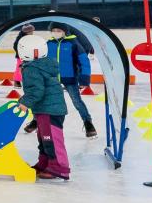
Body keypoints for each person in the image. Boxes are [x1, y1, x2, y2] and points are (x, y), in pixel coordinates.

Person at [17, 33, 69, 181]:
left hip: (49, 109)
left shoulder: (31, 68)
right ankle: (45, 163)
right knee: (44, 139)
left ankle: (59, 168)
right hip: (47, 109)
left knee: (52, 139)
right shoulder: (42, 65)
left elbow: (36, 90)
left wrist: (25, 102)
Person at [49, 23, 98, 140]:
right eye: (54, 30)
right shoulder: (48, 44)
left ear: (65, 31)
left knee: (77, 102)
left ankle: (88, 123)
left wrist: (84, 80)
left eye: (59, 30)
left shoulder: (73, 43)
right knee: (45, 101)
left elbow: (84, 61)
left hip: (70, 78)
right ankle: (36, 121)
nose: (56, 32)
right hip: (52, 79)